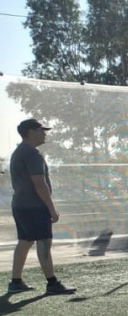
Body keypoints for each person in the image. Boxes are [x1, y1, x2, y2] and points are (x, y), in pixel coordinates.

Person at [7, 118, 76, 295]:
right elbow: (39, 183)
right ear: (31, 132)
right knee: (44, 241)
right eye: (41, 130)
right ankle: (52, 284)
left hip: (21, 205)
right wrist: (51, 208)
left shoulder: (19, 152)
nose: (44, 133)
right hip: (34, 207)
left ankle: (16, 282)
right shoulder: (31, 153)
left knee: (25, 241)